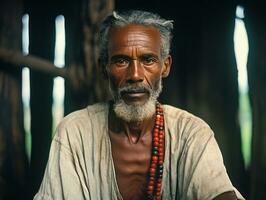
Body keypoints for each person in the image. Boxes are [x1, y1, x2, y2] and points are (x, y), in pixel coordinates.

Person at [34, 10, 245, 200]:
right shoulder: (75, 133)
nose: (135, 75)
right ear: (104, 69)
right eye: (121, 61)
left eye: (147, 60)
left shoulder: (190, 133)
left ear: (165, 67)